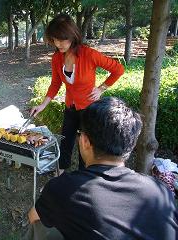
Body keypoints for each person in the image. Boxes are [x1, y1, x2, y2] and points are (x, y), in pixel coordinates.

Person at [25, 97, 178, 240]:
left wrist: (50, 195)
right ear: (130, 145)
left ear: (84, 141)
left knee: (40, 228)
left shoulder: (63, 188)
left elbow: (33, 217)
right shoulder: (160, 190)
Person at [30, 14, 125, 172]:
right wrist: (42, 105)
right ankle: (60, 175)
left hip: (88, 109)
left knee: (85, 146)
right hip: (70, 107)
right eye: (54, 39)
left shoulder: (89, 54)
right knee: (65, 142)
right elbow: (55, 83)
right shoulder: (57, 57)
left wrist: (101, 88)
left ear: (72, 36)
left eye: (61, 39)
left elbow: (118, 69)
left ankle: (83, 178)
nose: (57, 43)